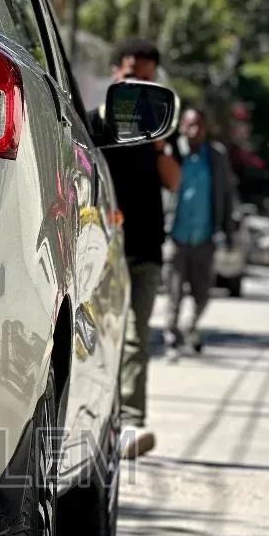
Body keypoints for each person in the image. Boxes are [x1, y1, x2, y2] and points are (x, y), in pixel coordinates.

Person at [89, 38, 180, 460]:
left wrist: (158, 142)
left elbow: (174, 181)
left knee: (136, 337)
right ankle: (93, 419)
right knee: (93, 337)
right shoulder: (94, 124)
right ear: (115, 75)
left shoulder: (161, 126)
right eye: (130, 77)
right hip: (100, 249)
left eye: (146, 79)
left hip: (145, 249)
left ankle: (129, 422)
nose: (138, 86)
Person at [165, 106, 235, 358]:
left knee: (203, 294)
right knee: (173, 294)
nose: (194, 130)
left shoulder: (215, 157)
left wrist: (227, 232)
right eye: (189, 125)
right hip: (176, 236)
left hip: (205, 238)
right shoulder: (172, 153)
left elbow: (226, 196)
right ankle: (171, 340)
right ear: (182, 127)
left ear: (205, 129)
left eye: (199, 126)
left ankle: (190, 326)